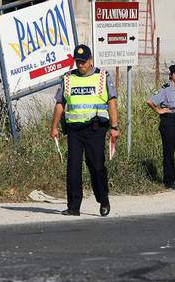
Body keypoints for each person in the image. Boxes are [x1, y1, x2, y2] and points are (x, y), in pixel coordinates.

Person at [50, 44, 119, 216]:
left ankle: (103, 199)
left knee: (96, 166)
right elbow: (60, 103)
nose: (80, 65)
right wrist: (54, 127)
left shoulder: (102, 76)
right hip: (74, 130)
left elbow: (112, 102)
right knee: (73, 168)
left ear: (90, 60)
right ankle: (74, 207)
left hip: (95, 129)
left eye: (83, 61)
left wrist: (114, 126)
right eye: (77, 61)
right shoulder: (68, 78)